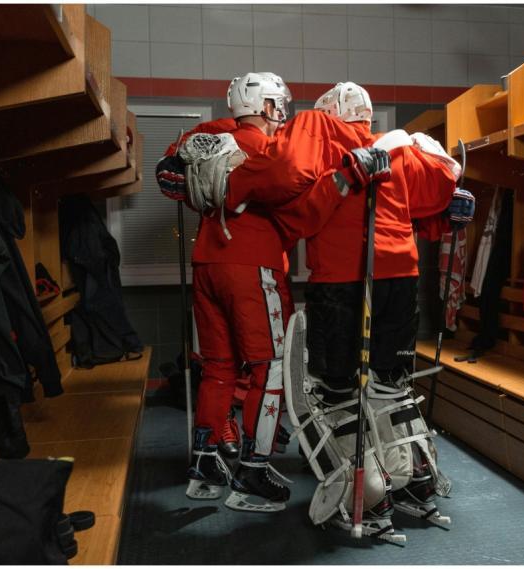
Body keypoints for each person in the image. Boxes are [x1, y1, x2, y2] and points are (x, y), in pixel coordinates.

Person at [184, 82, 474, 541]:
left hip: (343, 279)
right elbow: (437, 198)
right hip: (401, 279)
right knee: (390, 386)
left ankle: (368, 496)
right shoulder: (398, 147)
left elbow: (283, 172)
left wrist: (234, 185)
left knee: (337, 391)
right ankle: (415, 482)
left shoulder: (318, 130)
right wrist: (448, 212)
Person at [156, 72, 295, 513]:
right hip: (252, 264)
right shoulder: (270, 148)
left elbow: (169, 165)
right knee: (269, 368)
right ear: (269, 107)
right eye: (279, 106)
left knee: (217, 366)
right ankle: (253, 471)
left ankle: (205, 465)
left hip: (207, 262)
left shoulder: (212, 137)